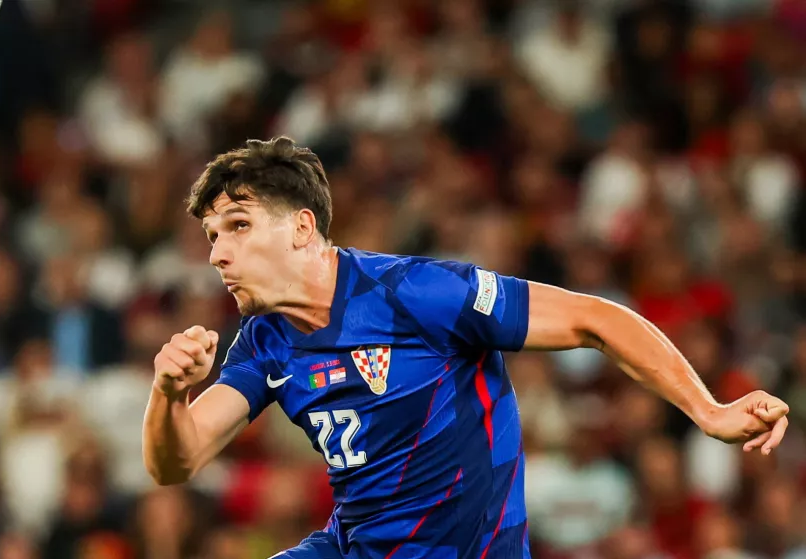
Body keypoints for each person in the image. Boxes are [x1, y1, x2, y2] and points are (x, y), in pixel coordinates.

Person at [142, 137, 790, 559]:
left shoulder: (415, 292)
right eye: (209, 234)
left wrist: (710, 410)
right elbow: (178, 460)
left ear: (302, 229)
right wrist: (169, 392)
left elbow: (596, 318)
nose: (217, 252)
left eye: (237, 225)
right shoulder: (263, 342)